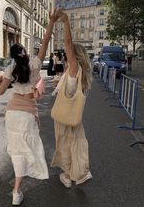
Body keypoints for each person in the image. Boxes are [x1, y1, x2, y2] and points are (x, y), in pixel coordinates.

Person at [0, 9, 62, 206]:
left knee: (17, 149)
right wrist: (50, 21)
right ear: (25, 52)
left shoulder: (10, 68)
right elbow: (46, 40)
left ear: (12, 55)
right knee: (27, 149)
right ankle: (17, 188)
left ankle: (16, 191)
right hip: (28, 113)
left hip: (12, 113)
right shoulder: (34, 64)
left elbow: (0, 92)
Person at [51, 12, 92, 188]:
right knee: (79, 144)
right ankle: (80, 173)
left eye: (69, 55)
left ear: (75, 56)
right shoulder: (82, 74)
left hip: (64, 116)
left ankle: (68, 175)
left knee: (65, 146)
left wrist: (66, 21)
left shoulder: (74, 70)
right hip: (75, 117)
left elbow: (67, 44)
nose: (66, 57)